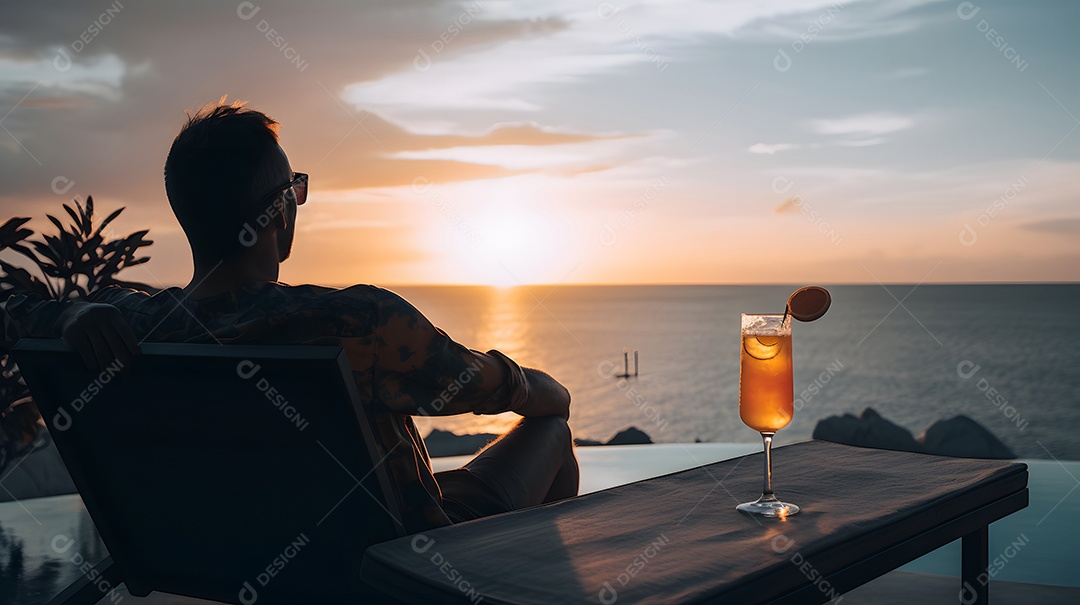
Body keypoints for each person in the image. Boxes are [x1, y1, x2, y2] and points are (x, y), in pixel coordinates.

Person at [2, 100, 578, 532]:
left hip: (242, 553)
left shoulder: (138, 325)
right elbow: (511, 392)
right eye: (294, 189)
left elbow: (16, 314)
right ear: (279, 211)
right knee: (552, 430)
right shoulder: (360, 323)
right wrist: (547, 391)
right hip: (402, 564)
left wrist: (73, 312)